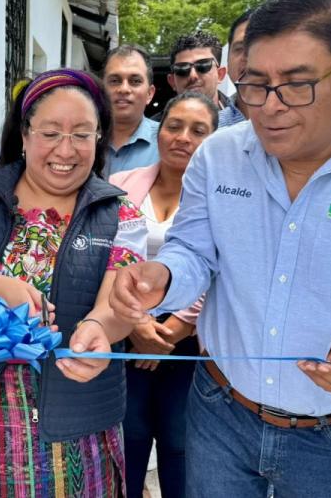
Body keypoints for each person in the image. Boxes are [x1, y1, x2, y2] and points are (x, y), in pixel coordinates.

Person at [111, 0, 331, 496]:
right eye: (254, 85)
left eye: (298, 84)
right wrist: (161, 278)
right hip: (219, 415)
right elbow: (194, 252)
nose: (270, 106)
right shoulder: (219, 156)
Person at [0, 69, 148, 496]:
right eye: (50, 132)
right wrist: (1, 288)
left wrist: (99, 329)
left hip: (75, 424)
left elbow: (116, 302)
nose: (66, 150)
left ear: (98, 138)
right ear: (24, 135)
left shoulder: (121, 213)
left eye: (83, 134)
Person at [109, 92, 218, 498]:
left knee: (179, 443)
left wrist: (174, 329)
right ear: (159, 130)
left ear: (213, 139)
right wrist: (137, 324)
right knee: (129, 436)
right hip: (127, 334)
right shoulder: (120, 185)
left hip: (189, 341)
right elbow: (109, 255)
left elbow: (219, 263)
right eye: (174, 126)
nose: (183, 137)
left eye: (198, 130)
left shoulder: (223, 197)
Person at [101, 44, 159, 178]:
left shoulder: (167, 143)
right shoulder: (83, 137)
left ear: (150, 94)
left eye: (135, 81)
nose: (124, 89)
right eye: (115, 80)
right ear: (102, 88)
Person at [167, 31, 228, 109]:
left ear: (220, 74)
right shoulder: (159, 121)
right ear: (172, 81)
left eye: (203, 65)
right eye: (182, 68)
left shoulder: (245, 116)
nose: (193, 75)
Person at [219, 10, 253, 127]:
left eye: (259, 47)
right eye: (240, 48)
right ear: (227, 61)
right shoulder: (208, 131)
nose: (248, 56)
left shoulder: (308, 126)